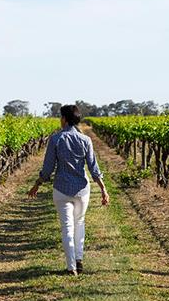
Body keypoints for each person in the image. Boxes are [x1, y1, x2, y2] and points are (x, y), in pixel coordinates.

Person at [28, 104, 109, 276]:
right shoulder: (86, 140)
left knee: (67, 227)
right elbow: (94, 168)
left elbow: (48, 168)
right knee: (79, 223)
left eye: (60, 117)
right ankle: (78, 259)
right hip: (82, 190)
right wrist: (103, 189)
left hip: (61, 189)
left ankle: (71, 266)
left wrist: (37, 184)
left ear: (64, 119)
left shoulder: (56, 139)